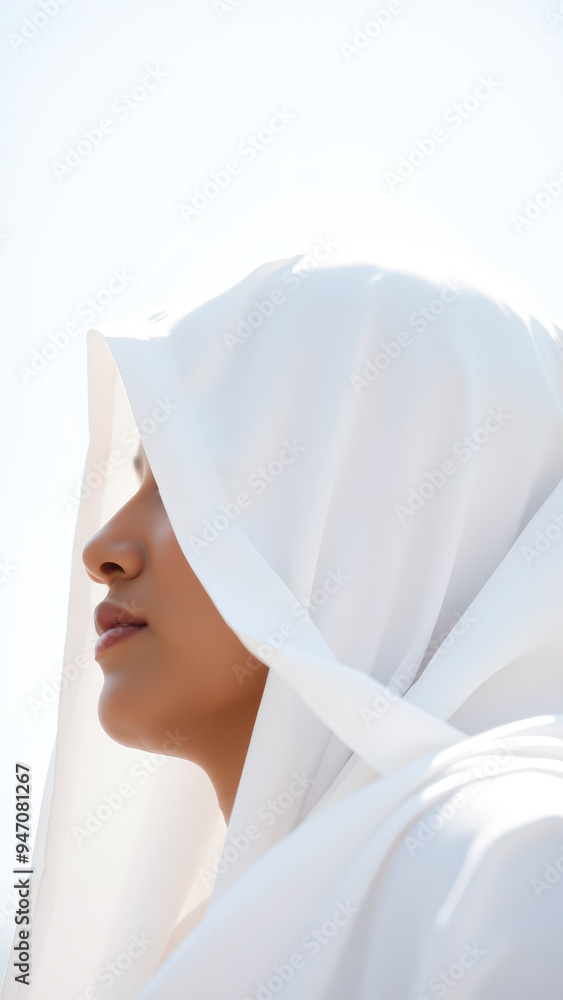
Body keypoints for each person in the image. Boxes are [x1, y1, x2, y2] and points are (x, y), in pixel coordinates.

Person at [4, 215, 563, 1000]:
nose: (104, 547)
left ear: (381, 525)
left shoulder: (513, 869)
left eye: (192, 490)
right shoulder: (205, 946)